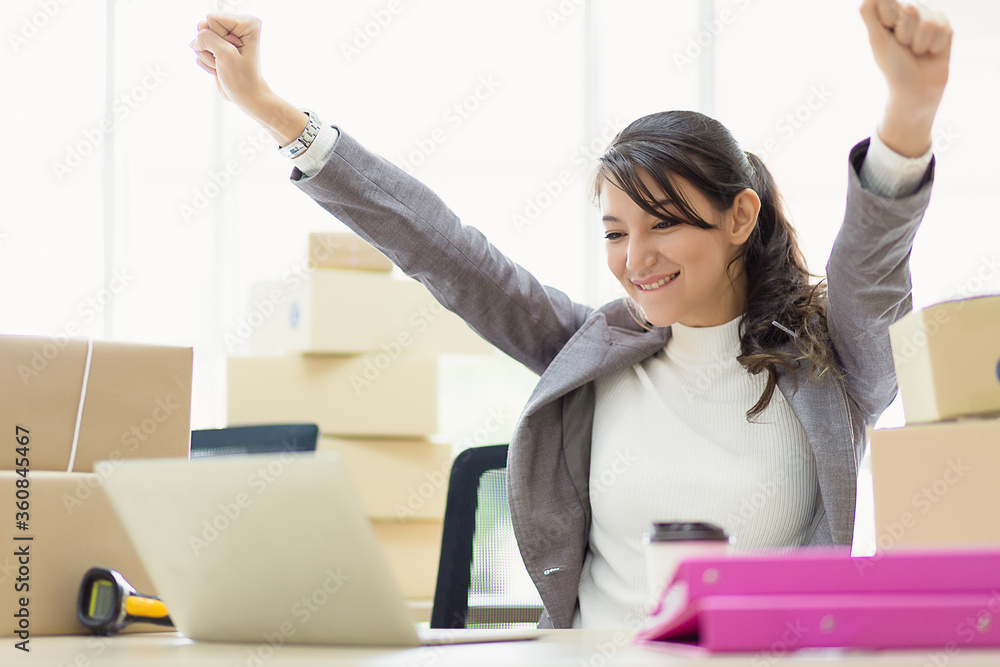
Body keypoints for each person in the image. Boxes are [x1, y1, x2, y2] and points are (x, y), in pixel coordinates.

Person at [191, 0, 952, 629]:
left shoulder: (832, 368)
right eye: (616, 233)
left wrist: (907, 120)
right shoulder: (596, 347)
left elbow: (870, 271)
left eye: (664, 223)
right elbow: (446, 253)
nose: (637, 258)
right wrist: (271, 111)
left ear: (740, 217)